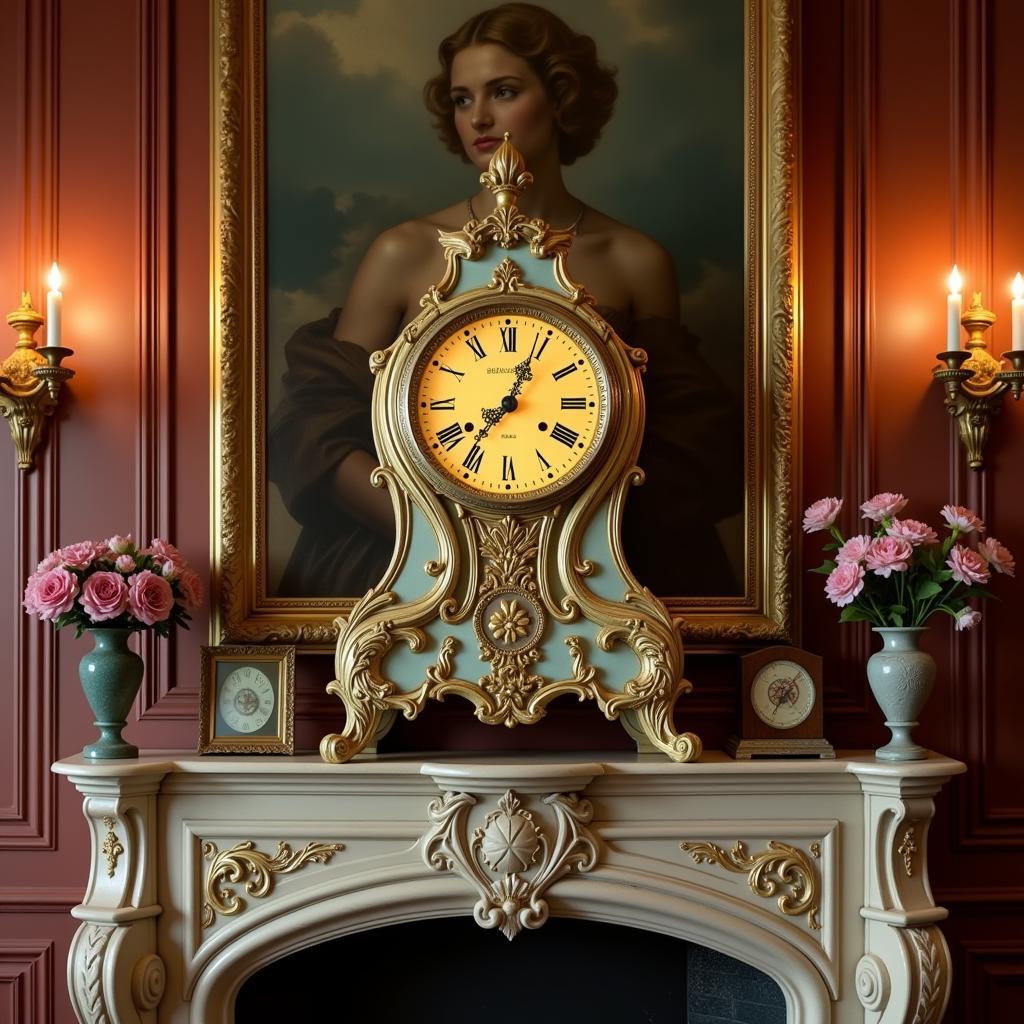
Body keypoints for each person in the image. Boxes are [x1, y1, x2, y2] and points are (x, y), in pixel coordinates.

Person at [269, 3, 742, 599]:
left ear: (561, 98)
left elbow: (676, 446)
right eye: (463, 99)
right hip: (413, 567)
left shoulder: (635, 261)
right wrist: (441, 535)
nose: (479, 117)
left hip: (585, 569)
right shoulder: (404, 252)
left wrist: (554, 541)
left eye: (504, 91)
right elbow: (316, 427)